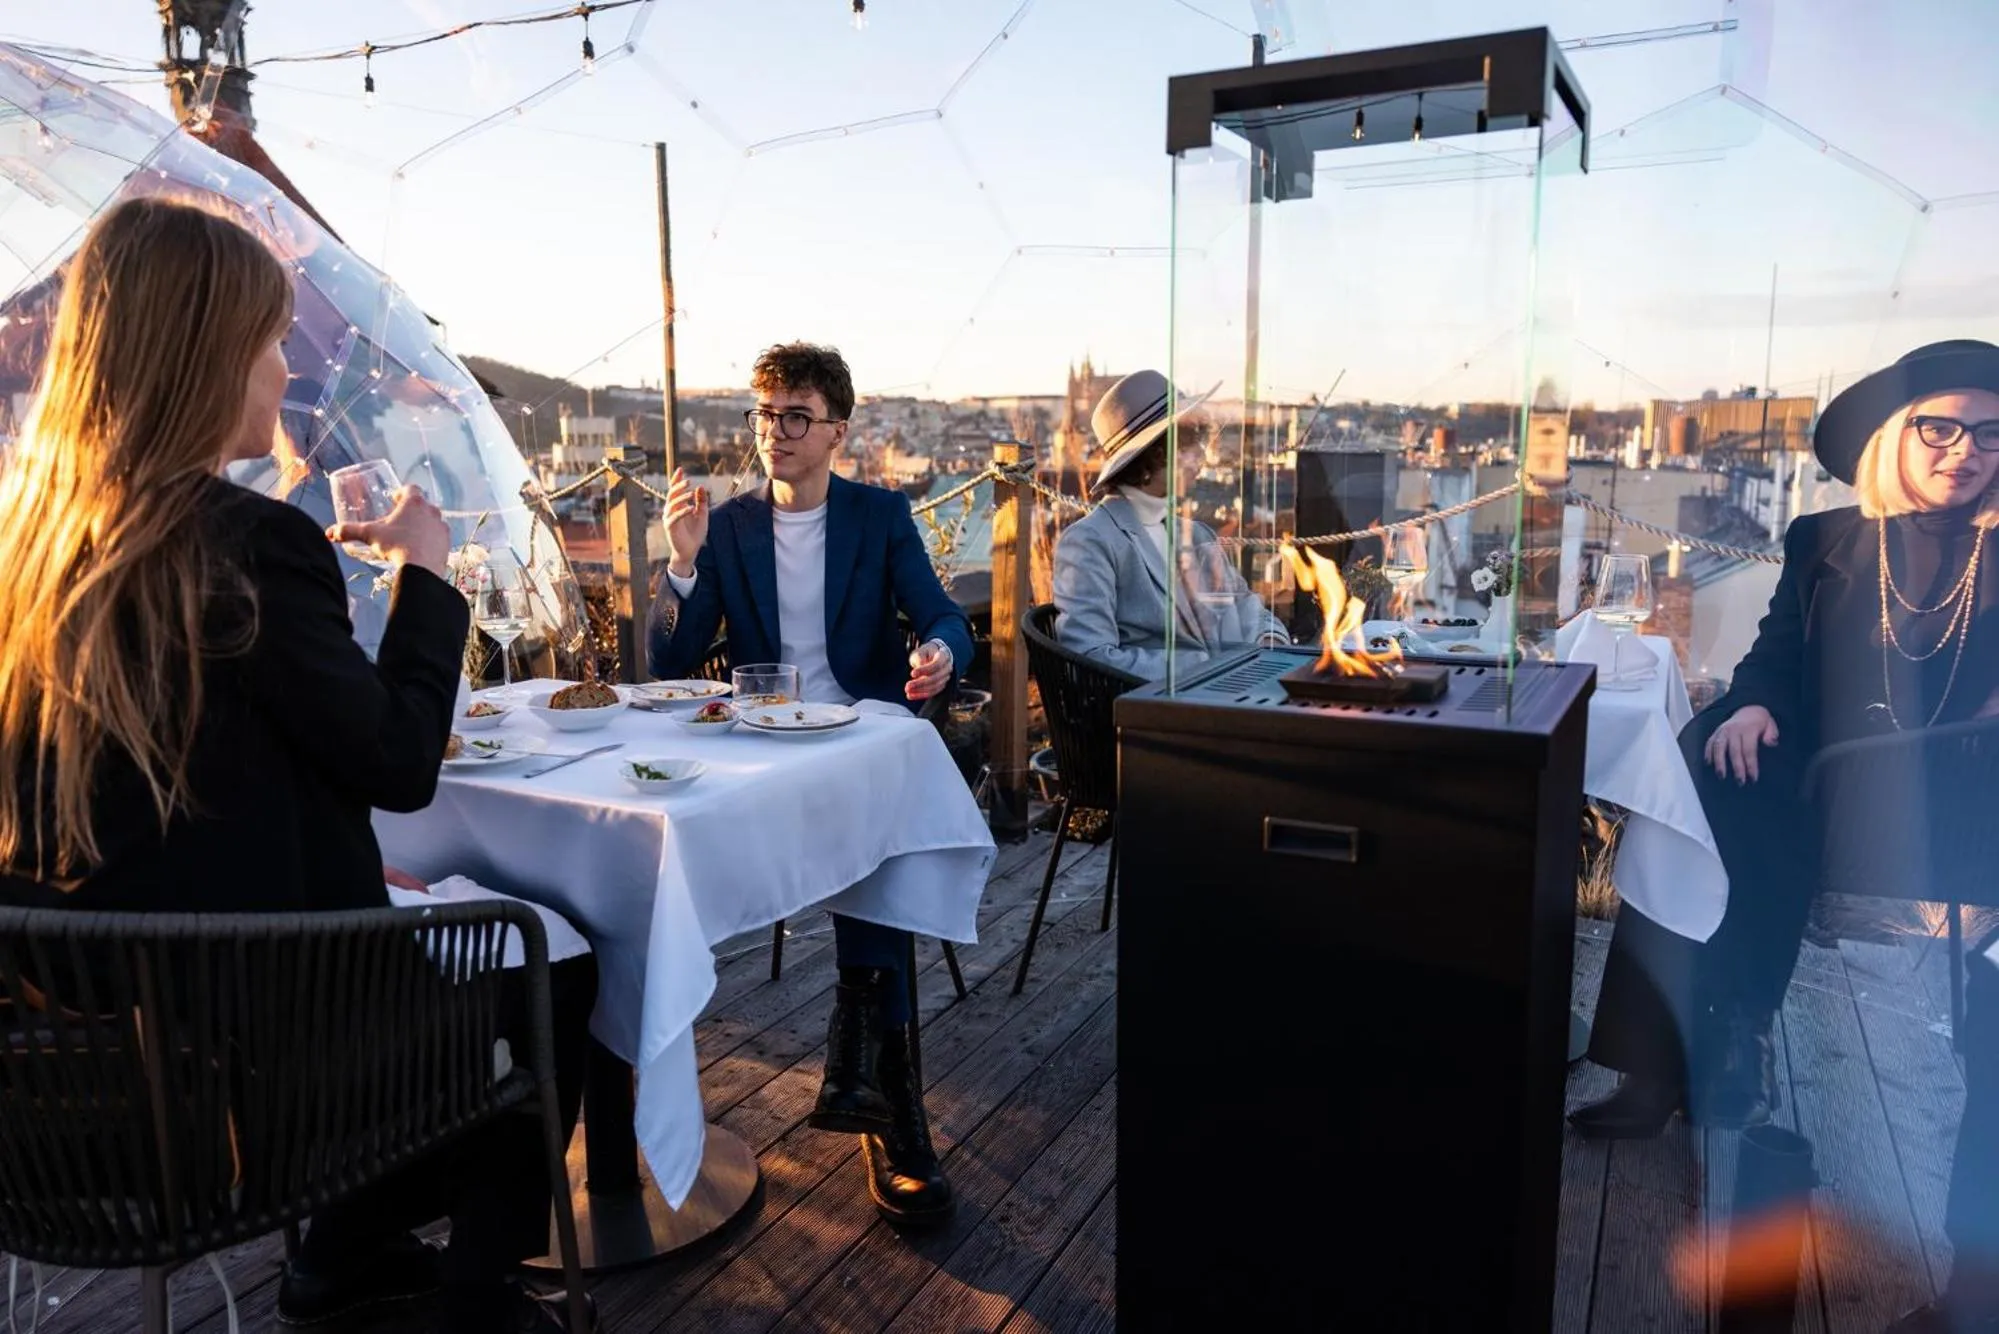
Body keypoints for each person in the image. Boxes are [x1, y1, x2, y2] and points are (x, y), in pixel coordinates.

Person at [0, 198, 591, 1334]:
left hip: (78, 1093)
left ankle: (341, 1262)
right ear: (210, 353)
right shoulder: (250, 547)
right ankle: (467, 1301)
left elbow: (173, 797)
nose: (284, 372)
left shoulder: (36, 554)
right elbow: (400, 761)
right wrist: (429, 576)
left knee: (442, 925)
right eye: (272, 342)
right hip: (262, 1092)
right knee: (557, 969)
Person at [1570, 341, 1999, 1141]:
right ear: (1897, 434)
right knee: (1712, 759)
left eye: (1989, 434)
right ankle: (1680, 1059)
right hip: (1812, 767)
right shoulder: (1824, 538)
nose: (1964, 450)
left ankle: (1726, 1040)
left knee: (1748, 802)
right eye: (1940, 428)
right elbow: (1774, 650)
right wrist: (1753, 704)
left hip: (1944, 790)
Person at [647, 341, 973, 1225]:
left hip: (857, 735)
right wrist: (681, 563)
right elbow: (667, 660)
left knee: (876, 857)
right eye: (765, 416)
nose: (776, 433)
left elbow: (940, 611)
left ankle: (889, 1113)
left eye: (796, 417)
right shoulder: (729, 526)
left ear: (836, 431)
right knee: (656, 850)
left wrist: (940, 650)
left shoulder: (879, 516)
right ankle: (856, 1086)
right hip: (758, 749)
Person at [1052, 369, 1288, 681]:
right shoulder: (1090, 541)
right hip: (1153, 717)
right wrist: (1207, 666)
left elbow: (1247, 608)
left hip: (1224, 695)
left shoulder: (1196, 533)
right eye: (1189, 444)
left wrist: (1268, 640)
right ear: (1153, 456)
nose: (1203, 456)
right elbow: (1089, 660)